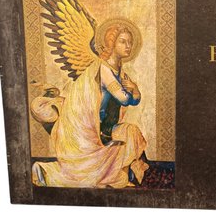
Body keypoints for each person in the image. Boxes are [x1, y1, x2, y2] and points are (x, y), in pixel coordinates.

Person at [32, 23, 149, 188]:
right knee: (86, 174)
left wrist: (135, 90)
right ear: (111, 44)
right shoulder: (104, 69)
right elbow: (124, 98)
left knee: (132, 132)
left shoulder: (120, 72)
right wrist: (133, 90)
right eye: (123, 41)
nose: (128, 46)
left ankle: (119, 175)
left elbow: (135, 101)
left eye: (130, 42)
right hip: (88, 131)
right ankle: (46, 171)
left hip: (106, 128)